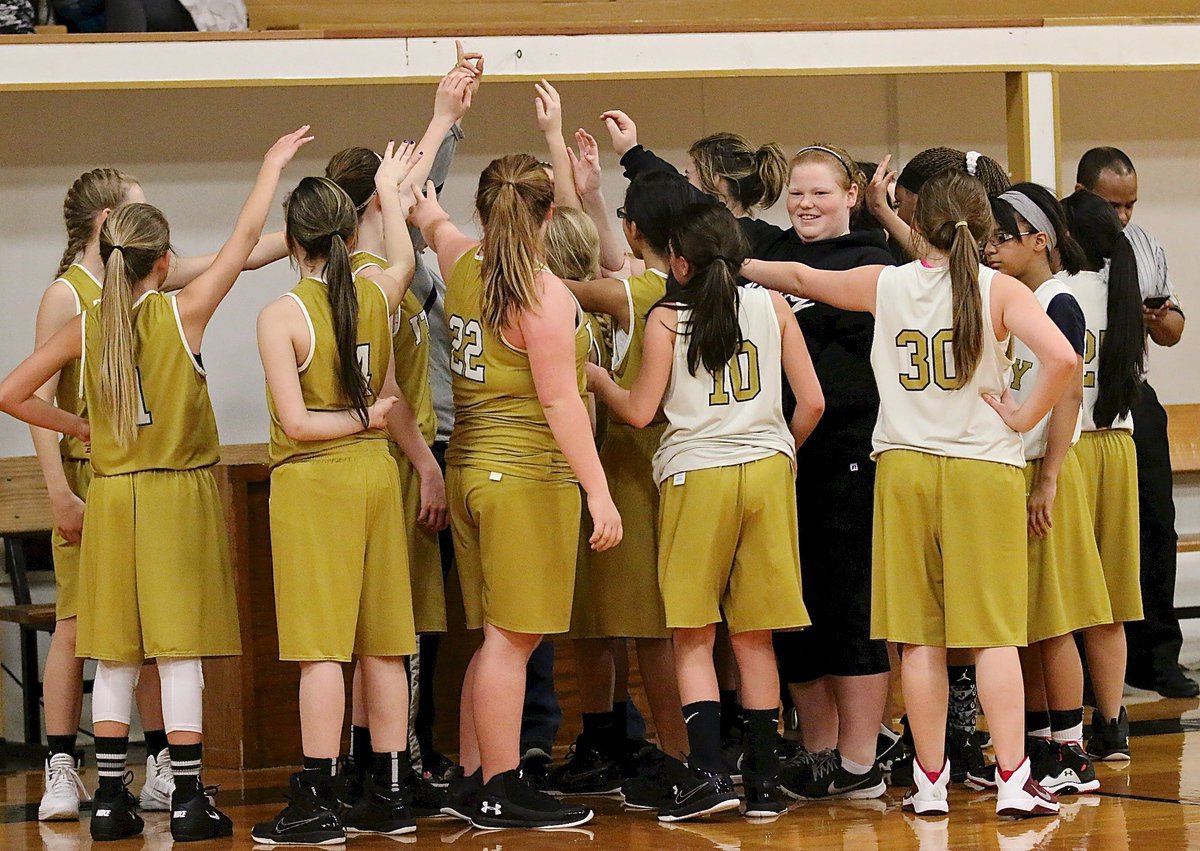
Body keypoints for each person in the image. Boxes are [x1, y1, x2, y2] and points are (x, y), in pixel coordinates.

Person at [0, 126, 312, 843]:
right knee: (178, 651)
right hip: (174, 494)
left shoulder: (89, 322)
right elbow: (240, 244)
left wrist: (80, 429)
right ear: (164, 262)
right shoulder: (183, 312)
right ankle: (186, 792)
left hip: (111, 494)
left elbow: (13, 393)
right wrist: (269, 165)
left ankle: (108, 795)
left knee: (112, 649)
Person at [744, 170, 1075, 818]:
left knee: (918, 640)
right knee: (994, 638)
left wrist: (743, 260)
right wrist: (1021, 415)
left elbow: (805, 280)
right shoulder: (1000, 288)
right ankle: (1013, 780)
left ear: (917, 226)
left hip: (901, 470)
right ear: (982, 229)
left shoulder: (885, 283)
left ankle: (928, 785)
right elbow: (1062, 360)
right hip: (980, 469)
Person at [589, 202, 822, 821]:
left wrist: (595, 377)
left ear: (680, 262)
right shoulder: (772, 304)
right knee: (755, 637)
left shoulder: (667, 318)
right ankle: (767, 785)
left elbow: (639, 412)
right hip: (768, 472)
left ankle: (708, 777)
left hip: (698, 473)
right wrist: (781, 452)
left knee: (693, 634)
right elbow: (814, 403)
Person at [410, 155, 622, 830]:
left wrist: (443, 120)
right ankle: (502, 785)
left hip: (470, 463)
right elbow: (562, 403)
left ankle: (476, 778)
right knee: (512, 640)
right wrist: (600, 492)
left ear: (483, 210)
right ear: (550, 215)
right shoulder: (545, 293)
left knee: (492, 639)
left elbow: (422, 207)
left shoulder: (461, 260)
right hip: (524, 472)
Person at [250, 142, 443, 845]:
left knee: (322, 650)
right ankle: (392, 791)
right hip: (374, 473)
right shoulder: (379, 289)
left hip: (316, 479)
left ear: (293, 238)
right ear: (348, 231)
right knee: (384, 643)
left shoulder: (282, 314)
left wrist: (363, 415)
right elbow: (401, 258)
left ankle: (318, 796)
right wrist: (391, 191)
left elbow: (298, 423)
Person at [324, 58, 477, 808]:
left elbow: (415, 193)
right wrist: (442, 116)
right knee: (403, 627)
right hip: (393, 458)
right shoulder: (385, 273)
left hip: (353, 464)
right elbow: (388, 396)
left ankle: (366, 763)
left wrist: (445, 120)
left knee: (371, 630)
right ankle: (399, 762)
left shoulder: (341, 275)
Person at [548, 143, 697, 806]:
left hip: (633, 472)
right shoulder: (639, 282)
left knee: (648, 627)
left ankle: (679, 753)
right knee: (594, 622)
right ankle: (604, 739)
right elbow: (608, 250)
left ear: (637, 232)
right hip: (598, 471)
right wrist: (582, 188)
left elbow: (558, 283)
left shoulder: (631, 292)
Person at [986, 184, 1111, 795]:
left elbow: (1067, 396)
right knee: (1030, 615)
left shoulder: (1060, 301)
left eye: (1002, 237)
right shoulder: (1022, 297)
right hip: (1026, 467)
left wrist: (1051, 478)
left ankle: (1071, 748)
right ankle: (1039, 741)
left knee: (1056, 615)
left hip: (1050, 467)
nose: (991, 248)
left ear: (1040, 240)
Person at [1075, 147, 1195, 700]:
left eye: (1131, 204)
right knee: (1081, 540)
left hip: (1132, 397)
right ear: (1082, 194)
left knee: (1154, 529)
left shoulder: (1143, 246)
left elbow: (1172, 327)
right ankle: (1078, 665)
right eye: (1111, 204)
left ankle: (1155, 655)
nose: (1123, 216)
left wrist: (1161, 319)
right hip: (1072, 406)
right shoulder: (1059, 245)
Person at [1060, 188, 1149, 761]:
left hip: (1069, 449)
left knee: (1066, 601)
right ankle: (1112, 724)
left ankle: (1059, 725)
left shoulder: (1056, 293)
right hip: (1118, 446)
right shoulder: (1122, 293)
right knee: (1114, 600)